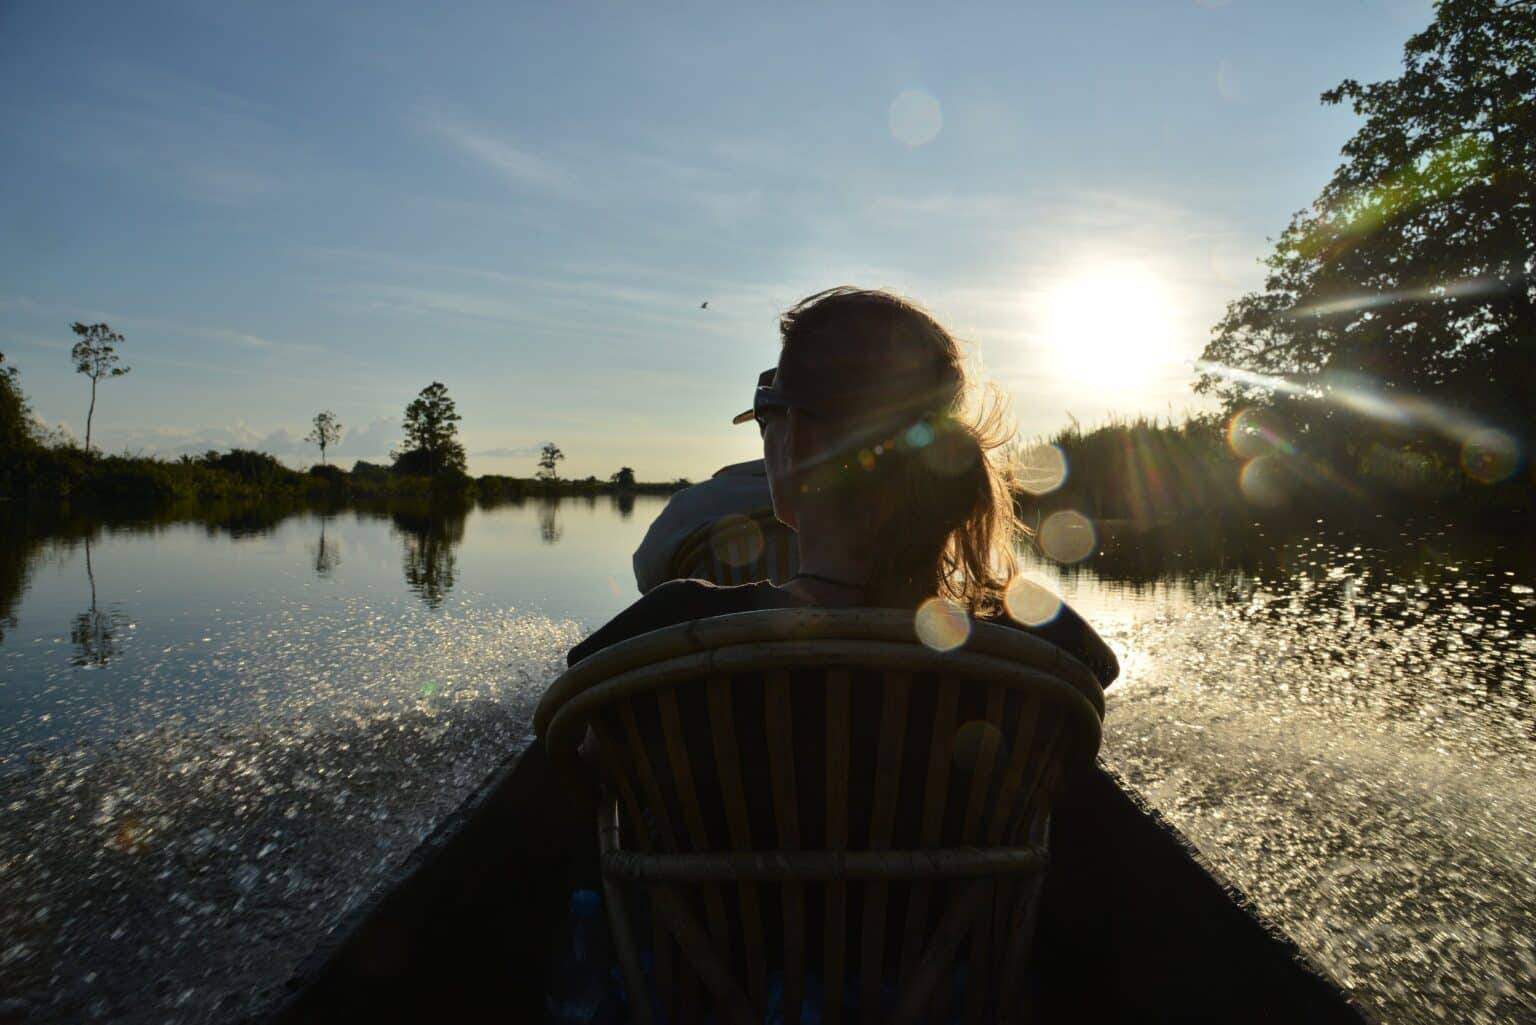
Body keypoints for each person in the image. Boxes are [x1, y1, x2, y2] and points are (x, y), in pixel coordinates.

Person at [566, 286, 1117, 686]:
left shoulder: (674, 625)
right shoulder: (1036, 636)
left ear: (801, 438)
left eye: (766, 414)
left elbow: (575, 731)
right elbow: (1100, 676)